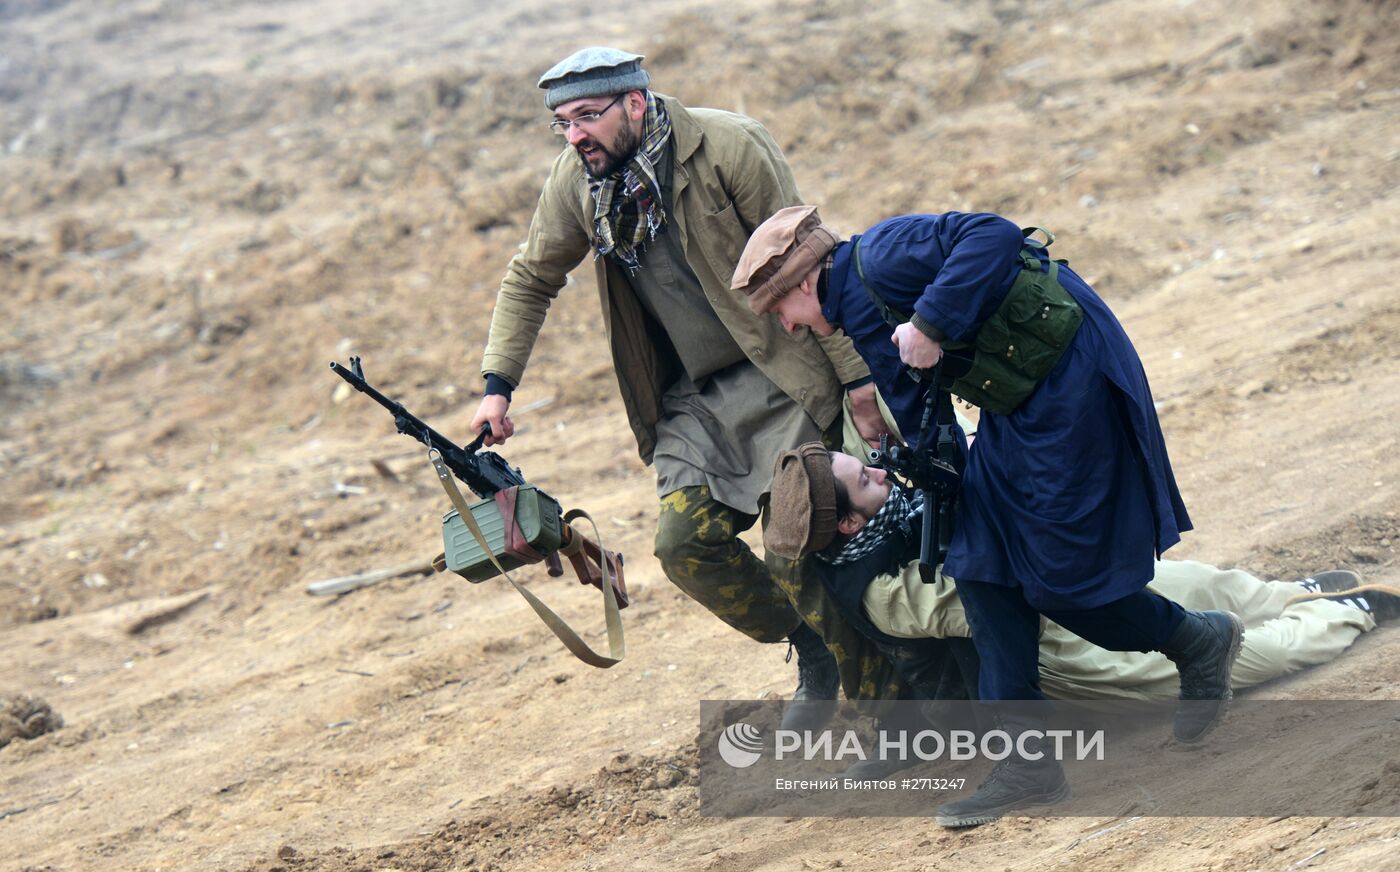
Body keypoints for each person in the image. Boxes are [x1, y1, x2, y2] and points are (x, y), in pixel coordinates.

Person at [732, 205, 1244, 822]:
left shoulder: (884, 254)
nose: (788, 328)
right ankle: (1028, 762)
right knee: (980, 562)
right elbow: (916, 397)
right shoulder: (856, 314)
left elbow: (993, 235)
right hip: (1016, 405)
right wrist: (927, 468)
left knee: (1058, 575)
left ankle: (1194, 639)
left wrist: (929, 321)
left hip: (1070, 380)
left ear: (804, 282)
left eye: (781, 311)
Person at [467, 48, 894, 727]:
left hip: (782, 372)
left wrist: (861, 384)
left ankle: (890, 718)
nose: (574, 135)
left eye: (587, 117)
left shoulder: (728, 146)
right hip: (694, 402)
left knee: (799, 550)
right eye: (561, 123)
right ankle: (810, 644)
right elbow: (530, 278)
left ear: (635, 103)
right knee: (683, 547)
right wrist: (498, 387)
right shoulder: (578, 183)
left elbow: (812, 261)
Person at [766, 442, 1399, 816]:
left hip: (1071, 579)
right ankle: (1349, 611)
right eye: (864, 479)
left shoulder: (886, 512)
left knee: (1208, 586)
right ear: (848, 525)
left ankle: (1301, 592)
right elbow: (995, 588)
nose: (882, 472)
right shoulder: (881, 591)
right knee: (1244, 655)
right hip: (1067, 642)